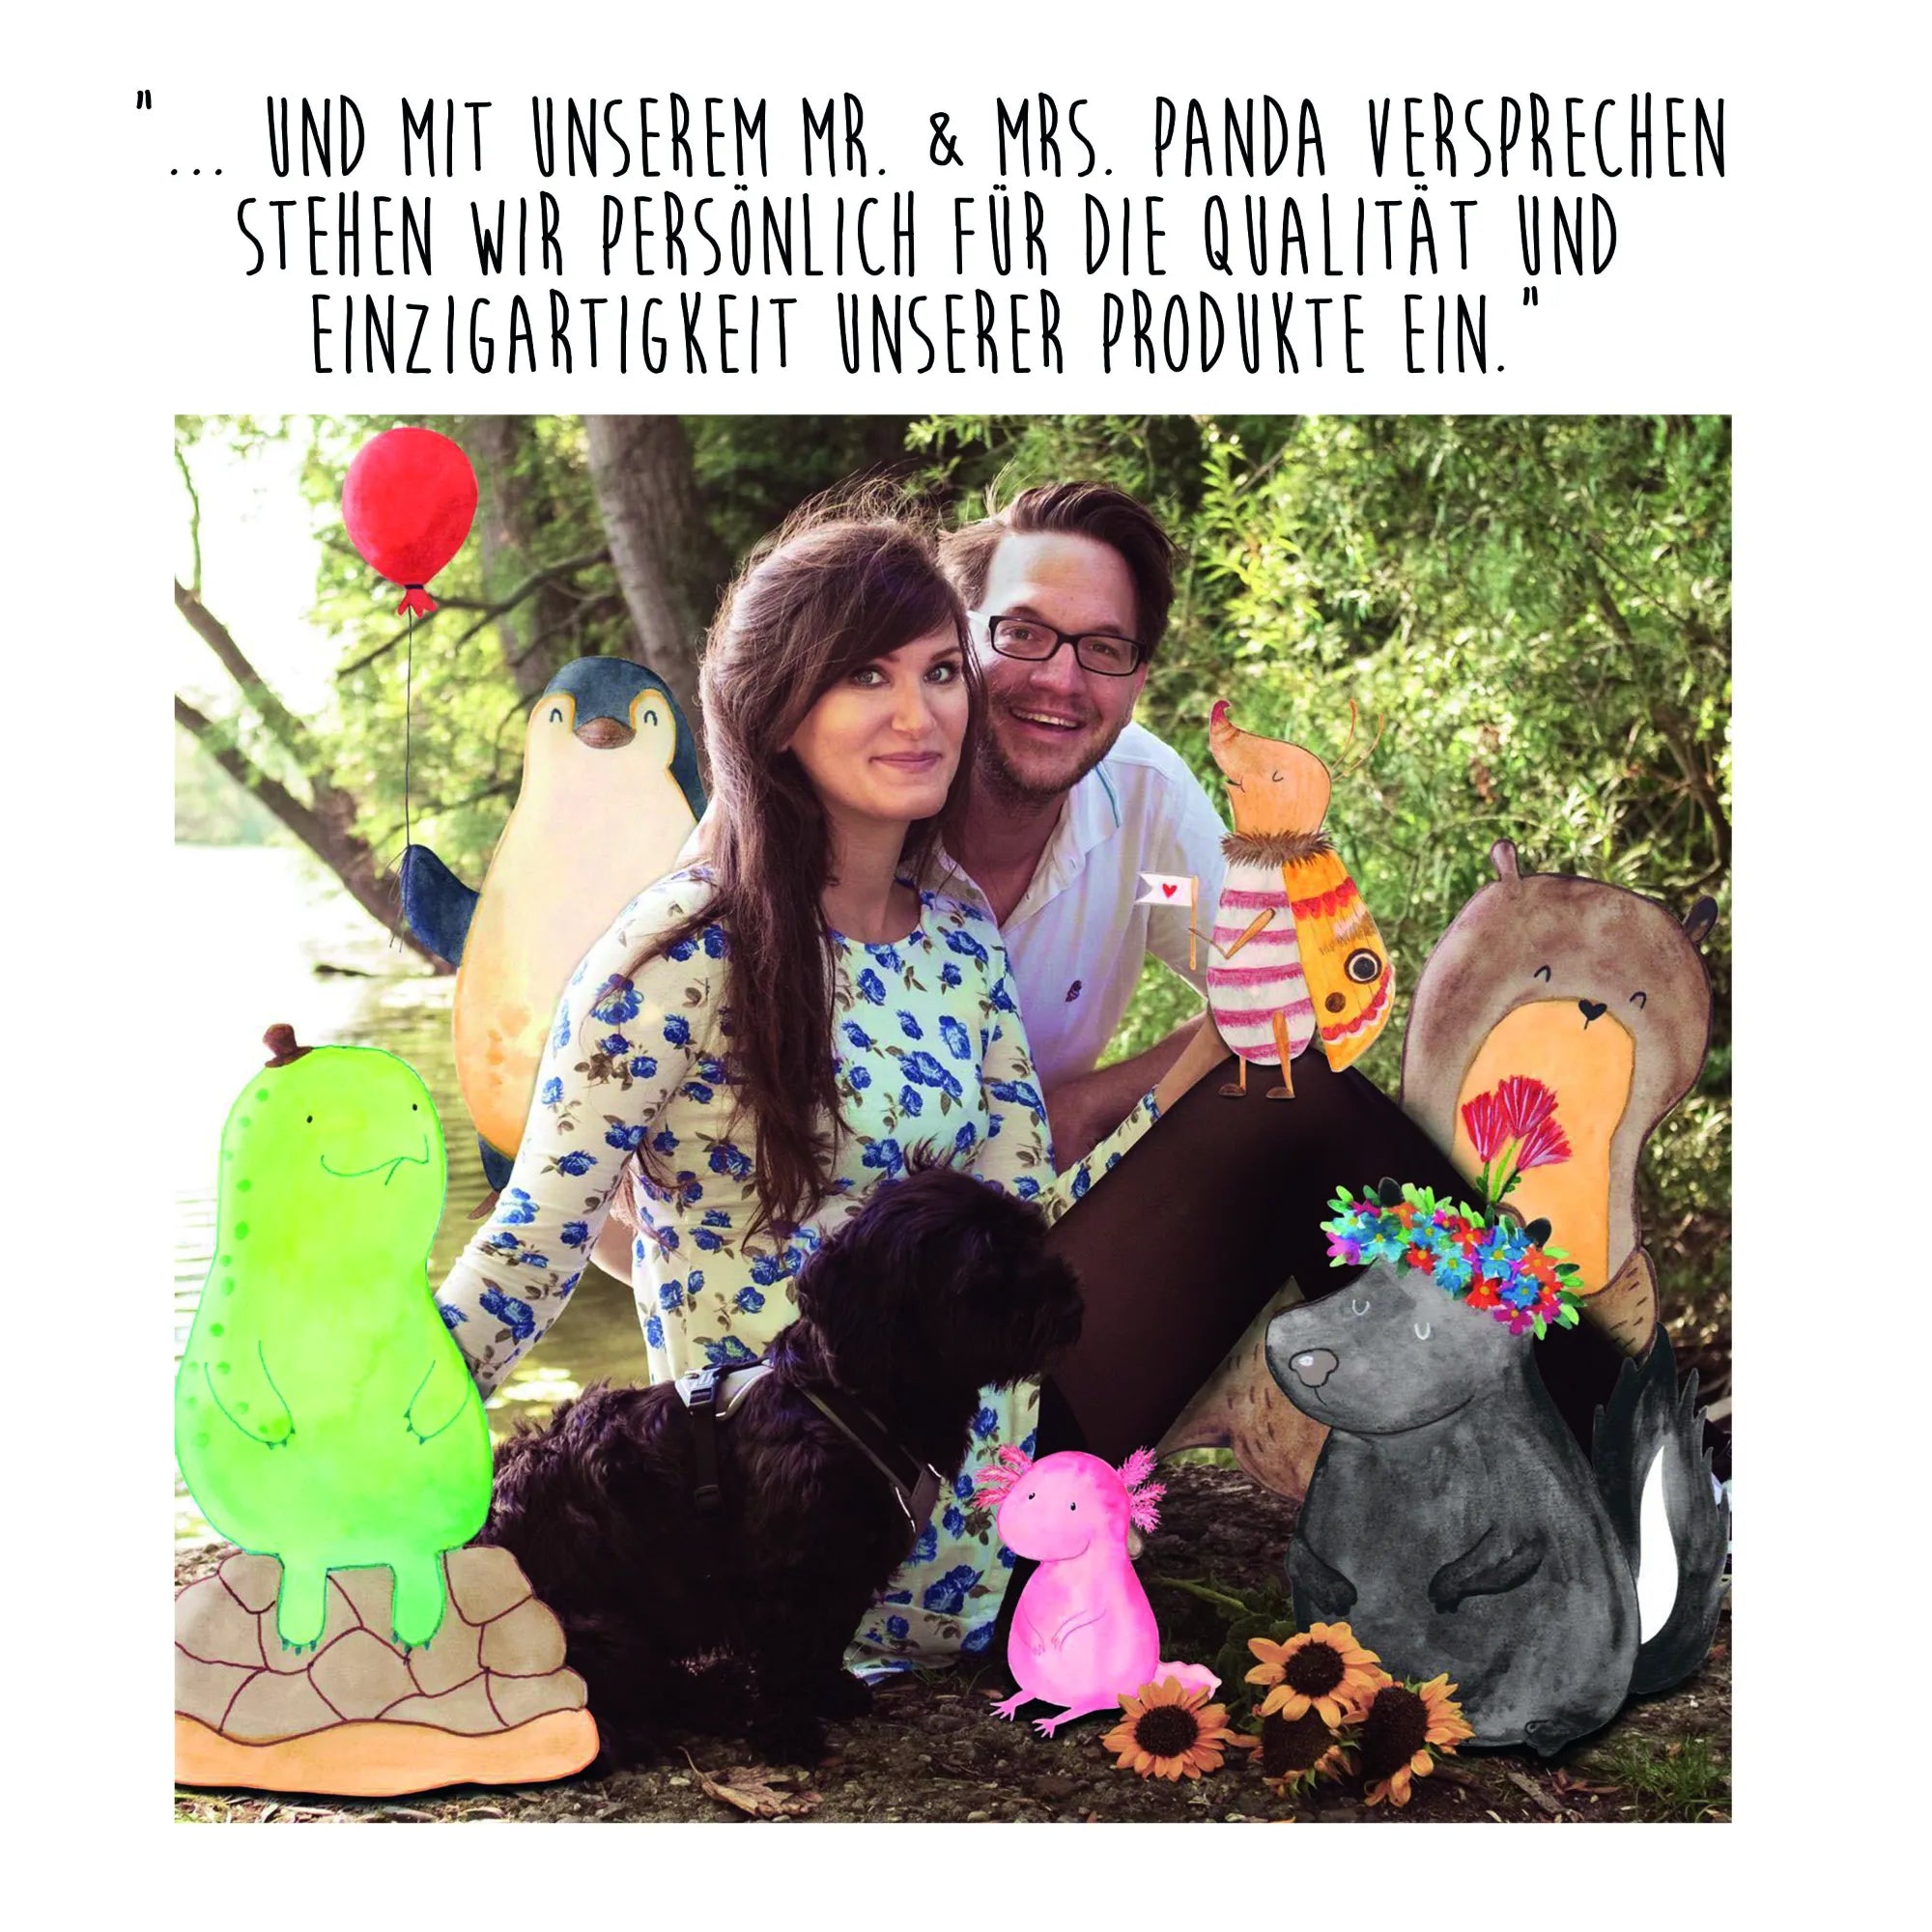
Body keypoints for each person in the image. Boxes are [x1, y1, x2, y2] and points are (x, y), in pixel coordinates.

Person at [436, 505, 1230, 1671]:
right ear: (776, 707)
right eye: (866, 675)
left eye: (940, 672)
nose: (919, 714)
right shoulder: (678, 953)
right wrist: (368, 1442)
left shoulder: (957, 930)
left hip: (984, 1546)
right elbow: (532, 1246)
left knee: (1288, 1110)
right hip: (779, 1547)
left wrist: (1213, 1078)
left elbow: (1026, 1213)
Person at [933, 482, 1230, 1164]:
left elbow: (1283, 999)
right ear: (954, 637)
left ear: (1137, 682)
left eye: (1103, 647)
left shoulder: (1144, 809)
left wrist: (1088, 1105)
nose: (1060, 681)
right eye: (1022, 633)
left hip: (1030, 1209)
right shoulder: (863, 778)